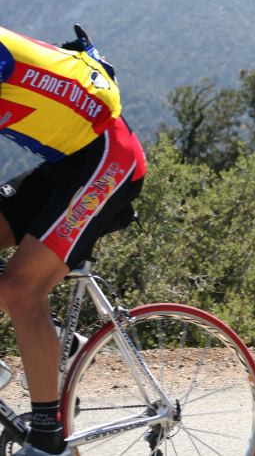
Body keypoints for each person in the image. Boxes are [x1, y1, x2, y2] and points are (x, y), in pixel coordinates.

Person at [0, 25, 146, 456]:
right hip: (67, 162)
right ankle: (62, 343)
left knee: (21, 289)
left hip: (109, 159)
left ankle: (48, 441)